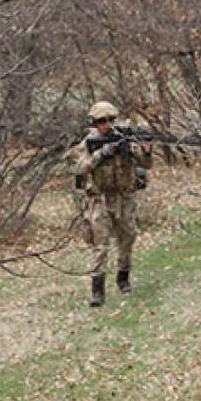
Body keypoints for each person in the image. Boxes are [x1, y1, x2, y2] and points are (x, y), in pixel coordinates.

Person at [74, 101, 153, 307]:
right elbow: (80, 168)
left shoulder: (124, 137)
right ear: (94, 122)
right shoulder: (88, 143)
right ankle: (97, 290)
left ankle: (123, 277)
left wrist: (144, 150)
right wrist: (101, 154)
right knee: (100, 244)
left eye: (110, 120)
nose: (106, 125)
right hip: (99, 199)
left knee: (128, 237)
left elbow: (147, 165)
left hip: (124, 197)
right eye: (101, 121)